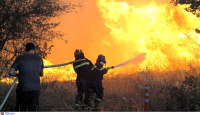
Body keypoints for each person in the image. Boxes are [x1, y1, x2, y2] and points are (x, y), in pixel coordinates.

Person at [9, 43, 44, 112]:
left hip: (22, 90)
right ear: (34, 49)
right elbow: (41, 74)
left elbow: (11, 72)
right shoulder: (39, 59)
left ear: (26, 49)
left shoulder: (20, 58)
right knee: (33, 111)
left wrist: (20, 74)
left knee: (21, 110)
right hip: (35, 90)